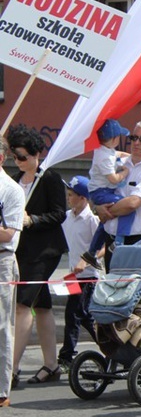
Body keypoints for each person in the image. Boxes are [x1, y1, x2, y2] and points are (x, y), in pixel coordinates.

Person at [8, 124, 67, 386]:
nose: (18, 161)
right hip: (21, 250)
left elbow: (59, 214)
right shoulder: (13, 180)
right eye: (14, 156)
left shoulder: (50, 178)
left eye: (22, 156)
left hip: (45, 251)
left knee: (22, 305)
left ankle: (11, 367)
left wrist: (32, 219)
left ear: (35, 155)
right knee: (42, 306)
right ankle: (52, 365)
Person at [95, 120, 141, 271]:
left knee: (131, 290)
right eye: (134, 138)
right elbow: (98, 186)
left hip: (137, 240)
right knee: (111, 288)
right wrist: (97, 207)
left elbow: (132, 203)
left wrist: (105, 212)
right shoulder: (119, 162)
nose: (136, 143)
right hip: (111, 238)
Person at [57, 176, 98, 371]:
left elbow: (104, 246)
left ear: (83, 198)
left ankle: (66, 356)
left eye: (72, 195)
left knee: (73, 314)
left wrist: (85, 260)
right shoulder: (67, 217)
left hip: (88, 276)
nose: (68, 198)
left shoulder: (92, 220)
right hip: (73, 276)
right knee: (86, 316)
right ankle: (110, 344)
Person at [80, 119, 132, 269]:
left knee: (105, 220)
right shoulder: (104, 158)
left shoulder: (104, 150)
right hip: (102, 192)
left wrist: (131, 157)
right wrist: (126, 171)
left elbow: (117, 154)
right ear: (115, 138)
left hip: (101, 191)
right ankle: (118, 242)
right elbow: (114, 179)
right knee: (127, 207)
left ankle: (91, 252)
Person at [0, 135, 25, 407]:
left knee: (2, 326)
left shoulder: (11, 190)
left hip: (2, 262)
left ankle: (1, 390)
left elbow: (8, 233)